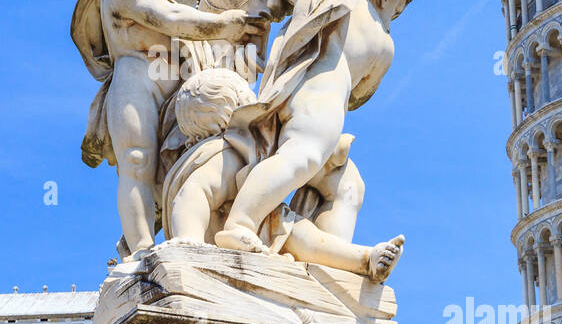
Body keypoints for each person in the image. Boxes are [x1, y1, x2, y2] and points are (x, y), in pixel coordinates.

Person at [71, 0, 265, 257]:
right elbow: (171, 18)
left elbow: (173, 4)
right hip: (136, 84)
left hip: (173, 90)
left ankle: (168, 231)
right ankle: (142, 249)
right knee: (137, 163)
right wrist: (225, 25)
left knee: (166, 167)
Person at [213, 0, 419, 257]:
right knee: (303, 156)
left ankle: (330, 260)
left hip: (313, 101)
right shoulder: (377, 37)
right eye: (401, 3)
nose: (399, 12)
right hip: (322, 99)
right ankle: (240, 223)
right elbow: (360, 94)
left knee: (348, 184)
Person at [162, 68, 403, 282]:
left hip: (256, 233)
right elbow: (193, 193)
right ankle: (362, 259)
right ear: (237, 108)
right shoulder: (223, 154)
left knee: (297, 229)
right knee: (297, 232)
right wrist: (189, 239)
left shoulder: (237, 153)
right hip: (226, 240)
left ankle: (363, 259)